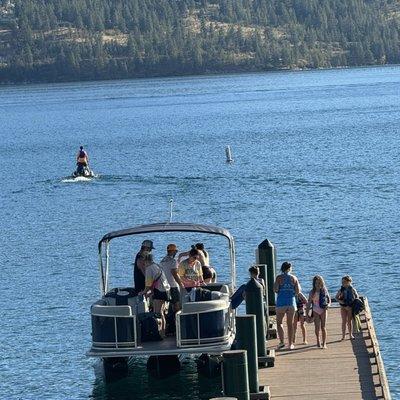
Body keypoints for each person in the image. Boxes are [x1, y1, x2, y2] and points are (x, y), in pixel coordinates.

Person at [139, 253, 170, 337]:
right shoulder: (157, 266)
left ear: (145, 260)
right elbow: (157, 280)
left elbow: (148, 284)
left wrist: (143, 292)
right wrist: (151, 292)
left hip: (159, 291)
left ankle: (159, 333)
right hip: (166, 291)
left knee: (157, 313)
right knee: (161, 313)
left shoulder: (149, 268)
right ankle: (163, 333)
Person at [273, 262, 301, 350]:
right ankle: (290, 343)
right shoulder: (294, 278)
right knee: (290, 324)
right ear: (290, 268)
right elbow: (298, 291)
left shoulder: (278, 278)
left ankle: (281, 342)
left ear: (282, 268)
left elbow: (276, 289)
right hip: (291, 303)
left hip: (281, 303)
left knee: (279, 322)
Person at [306, 275, 331, 349]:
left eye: (319, 283)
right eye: (316, 283)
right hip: (315, 310)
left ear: (322, 283)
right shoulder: (312, 292)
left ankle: (324, 343)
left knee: (323, 327)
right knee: (317, 327)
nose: (318, 285)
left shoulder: (324, 290)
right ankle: (318, 340)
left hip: (323, 309)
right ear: (314, 284)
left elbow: (329, 299)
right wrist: (307, 314)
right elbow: (309, 303)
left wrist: (328, 305)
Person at [160, 243, 184, 312]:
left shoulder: (162, 261)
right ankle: (177, 320)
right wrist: (180, 284)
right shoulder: (173, 261)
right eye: (176, 251)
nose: (176, 253)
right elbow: (174, 273)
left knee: (167, 304)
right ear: (173, 251)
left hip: (165, 286)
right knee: (176, 304)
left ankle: (170, 319)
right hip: (173, 285)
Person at [335, 275, 359, 340]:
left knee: (349, 321)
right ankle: (343, 336)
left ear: (349, 282)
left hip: (350, 307)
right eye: (342, 282)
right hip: (343, 307)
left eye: (345, 282)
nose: (343, 283)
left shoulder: (353, 289)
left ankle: (350, 335)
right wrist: (340, 301)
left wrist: (355, 303)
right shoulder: (341, 290)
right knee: (344, 321)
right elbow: (336, 297)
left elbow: (357, 297)